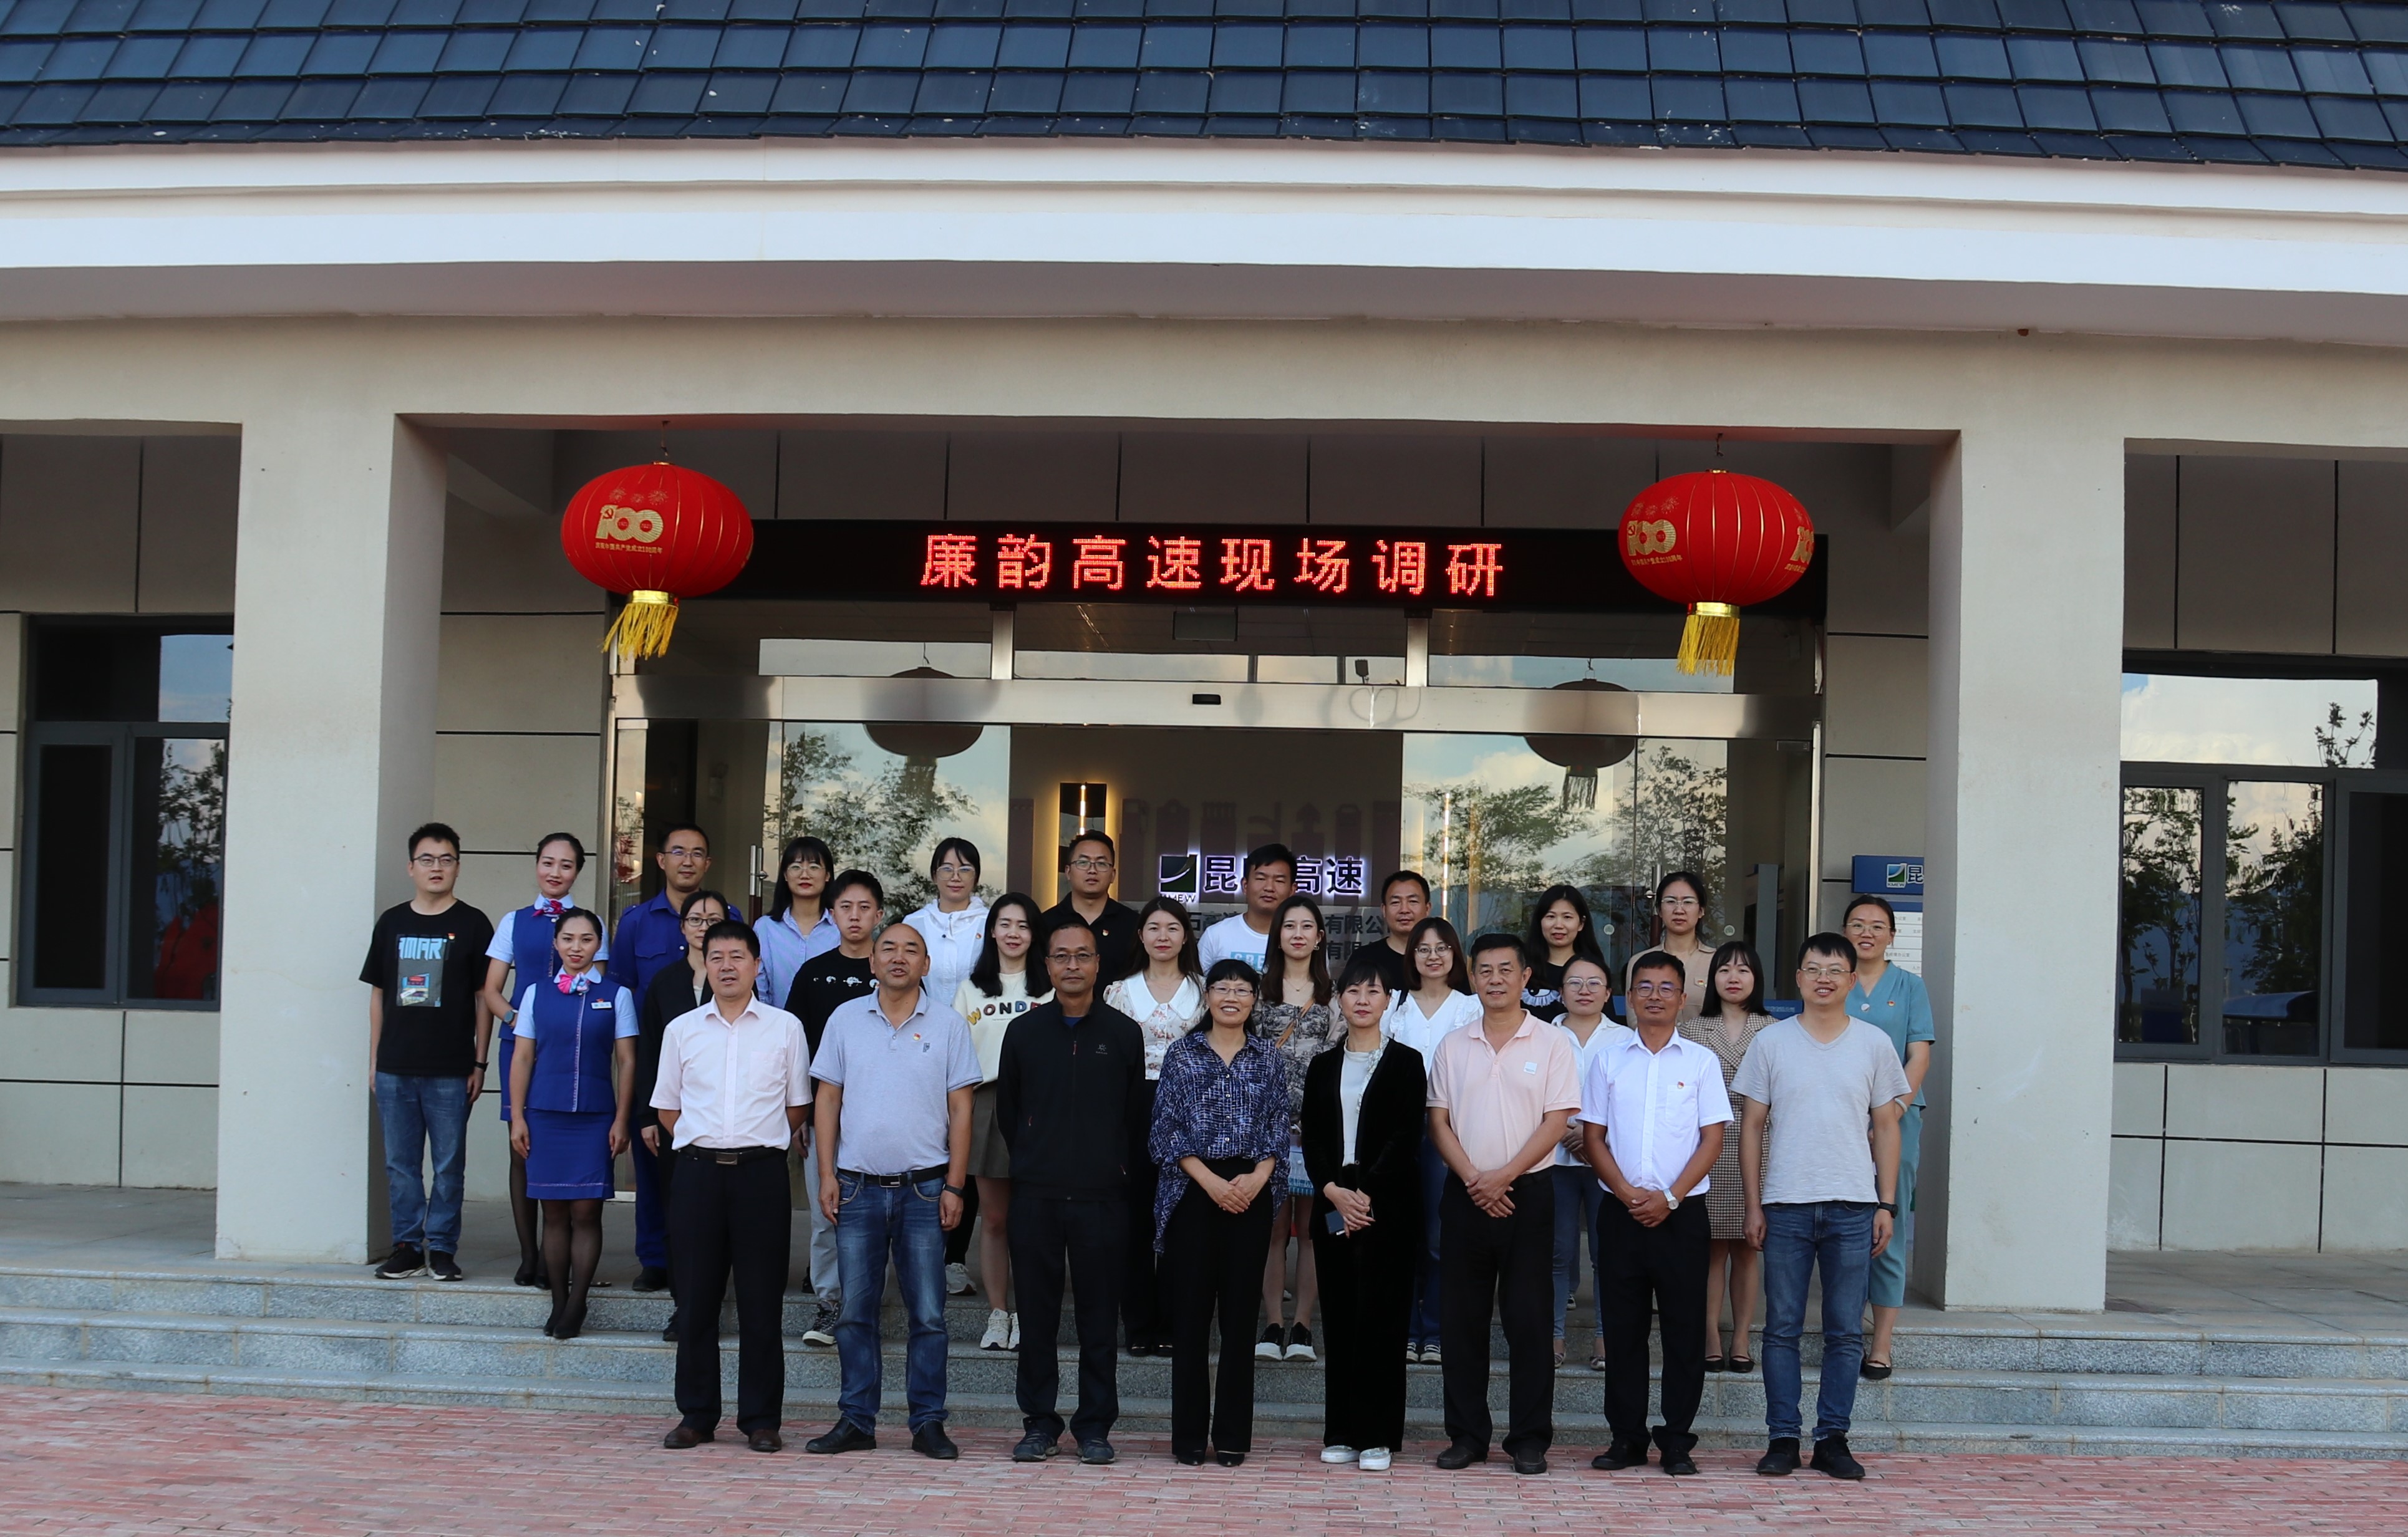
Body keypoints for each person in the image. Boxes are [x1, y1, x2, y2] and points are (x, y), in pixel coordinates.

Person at [805, 922, 982, 1462]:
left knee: (928, 1314)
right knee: (855, 1312)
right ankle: (857, 1419)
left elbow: (962, 1110)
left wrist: (956, 1184)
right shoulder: (844, 1019)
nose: (899, 957)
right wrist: (827, 1174)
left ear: (926, 964)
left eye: (911, 950)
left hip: (925, 1189)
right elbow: (827, 1099)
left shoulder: (949, 1024)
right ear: (873, 962)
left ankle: (928, 1421)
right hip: (856, 1186)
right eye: (888, 948)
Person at [1736, 933, 1909, 1482]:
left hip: (1853, 1205)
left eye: (1835, 970)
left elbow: (1886, 1127)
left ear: (1852, 979)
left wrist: (1886, 1203)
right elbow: (1751, 1127)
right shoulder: (1770, 1042)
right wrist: (1752, 1203)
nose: (1823, 979)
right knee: (1781, 1327)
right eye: (1813, 969)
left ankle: (1832, 1438)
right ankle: (1782, 1438)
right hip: (1784, 1203)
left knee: (1844, 1331)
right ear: (1798, 978)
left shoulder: (1874, 1043)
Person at [652, 920, 811, 1455]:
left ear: (756, 965)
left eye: (737, 956)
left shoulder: (785, 1028)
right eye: (716, 956)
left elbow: (797, 1105)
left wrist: (752, 1141)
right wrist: (707, 1143)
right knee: (696, 1298)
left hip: (761, 1175)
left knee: (761, 1301)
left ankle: (761, 1418)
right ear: (705, 963)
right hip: (697, 1174)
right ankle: (696, 1414)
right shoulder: (682, 1029)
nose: (726, 965)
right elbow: (667, 1107)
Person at [1424, 933, 1580, 1475]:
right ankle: (1466, 1435)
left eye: (1505, 969)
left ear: (1525, 977)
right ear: (1472, 978)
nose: (1495, 979)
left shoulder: (1552, 1042)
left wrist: (1504, 1177)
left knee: (1529, 1321)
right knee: (1461, 1321)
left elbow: (1557, 1121)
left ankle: (1529, 1438)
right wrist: (1475, 1179)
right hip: (1465, 1193)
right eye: (1485, 970)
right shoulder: (1453, 1045)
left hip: (1528, 1193)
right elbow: (1438, 1120)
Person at [995, 914, 1148, 1465]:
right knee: (1036, 1319)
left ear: (1098, 964)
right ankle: (1039, 1423)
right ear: (1046, 965)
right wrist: (1034, 1157)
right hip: (1036, 1195)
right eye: (1061, 956)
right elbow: (1009, 1112)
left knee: (1098, 1320)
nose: (1072, 965)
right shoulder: (1024, 1032)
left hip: (1102, 1198)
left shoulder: (1123, 1033)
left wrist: (1113, 1168)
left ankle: (1093, 1427)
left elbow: (1134, 1116)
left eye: (1082, 955)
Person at [1580, 950, 1731, 1477]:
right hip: (1619, 1212)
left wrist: (1669, 1196)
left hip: (1681, 1214)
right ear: (1628, 997)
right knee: (1623, 1333)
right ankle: (1626, 1437)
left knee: (1684, 1332)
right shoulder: (1608, 1060)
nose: (1654, 996)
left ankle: (1676, 1441)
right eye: (1643, 986)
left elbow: (1712, 1138)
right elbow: (1592, 1137)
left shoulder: (1701, 1062)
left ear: (1682, 997)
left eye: (1666, 987)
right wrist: (1627, 1193)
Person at [1148, 958, 1287, 1467]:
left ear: (1254, 999)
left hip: (1250, 1192)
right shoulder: (1182, 1054)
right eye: (1222, 988)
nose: (1232, 996)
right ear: (1206, 996)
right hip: (1193, 1191)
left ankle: (1231, 1436)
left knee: (1239, 1318)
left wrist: (1256, 1177)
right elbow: (1164, 1127)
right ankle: (1187, 1437)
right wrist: (1209, 1182)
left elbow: (1279, 1124)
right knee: (1189, 1319)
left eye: (1242, 989)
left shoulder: (1267, 1057)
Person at [1304, 955, 1426, 1475]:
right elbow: (1312, 1136)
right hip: (1334, 1200)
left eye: (1373, 991)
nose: (1361, 999)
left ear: (1388, 1001)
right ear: (1339, 999)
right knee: (1339, 1316)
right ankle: (1340, 1431)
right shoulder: (1322, 1065)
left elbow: (1406, 1135)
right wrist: (1334, 1190)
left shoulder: (1407, 1062)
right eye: (1352, 990)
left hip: (1387, 1204)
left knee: (1382, 1318)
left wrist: (1366, 1192)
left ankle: (1377, 1435)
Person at [360, 822, 493, 1283]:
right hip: (395, 1067)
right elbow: (378, 994)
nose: (437, 867)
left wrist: (480, 1061)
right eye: (427, 859)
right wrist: (375, 1061)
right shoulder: (392, 923)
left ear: (458, 866)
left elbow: (484, 997)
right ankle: (406, 1246)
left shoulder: (474, 924)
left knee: (448, 1165)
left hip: (451, 1068)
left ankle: (441, 1248)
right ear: (411, 867)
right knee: (400, 1165)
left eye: (446, 859)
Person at [506, 909, 638, 1341]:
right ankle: (558, 1301)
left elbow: (627, 1061)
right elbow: (523, 1057)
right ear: (556, 943)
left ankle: (578, 1301)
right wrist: (518, 1116)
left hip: (596, 1116)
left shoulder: (616, 995)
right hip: (545, 1115)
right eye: (567, 938)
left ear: (598, 945)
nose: (576, 947)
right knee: (554, 1212)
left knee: (586, 1211)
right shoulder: (535, 993)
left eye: (585, 939)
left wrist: (622, 1118)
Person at [479, 832, 601, 1290]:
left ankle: (559, 1255)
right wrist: (520, 1020)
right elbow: (491, 989)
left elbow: (599, 987)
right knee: (522, 1148)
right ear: (536, 865)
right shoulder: (514, 921)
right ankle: (529, 1255)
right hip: (521, 1046)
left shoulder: (587, 924)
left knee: (563, 1151)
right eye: (548, 862)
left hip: (573, 1050)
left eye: (566, 865)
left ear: (577, 872)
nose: (555, 872)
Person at [609, 821, 715, 1286]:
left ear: (708, 863)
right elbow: (621, 992)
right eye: (678, 851)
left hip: (711, 1072)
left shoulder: (724, 915)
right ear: (660, 860)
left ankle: (705, 1261)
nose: (687, 861)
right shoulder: (635, 921)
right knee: (652, 1164)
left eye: (697, 853)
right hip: (649, 1059)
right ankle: (655, 1257)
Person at [783, 869, 883, 1347]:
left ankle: (864, 1305)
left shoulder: (893, 971)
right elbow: (793, 1048)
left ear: (879, 914)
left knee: (876, 1215)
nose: (855, 916)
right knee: (827, 1213)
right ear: (832, 913)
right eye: (846, 907)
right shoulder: (813, 972)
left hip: (880, 1116)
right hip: (823, 1115)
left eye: (865, 907)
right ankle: (829, 1303)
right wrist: (797, 1115)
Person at [1103, 896, 1204, 1359]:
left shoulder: (1205, 991)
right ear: (1140, 936)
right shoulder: (1118, 993)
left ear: (1185, 936)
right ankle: (1139, 1323)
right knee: (1137, 1218)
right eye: (1154, 928)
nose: (1163, 936)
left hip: (1193, 1110)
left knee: (1185, 1219)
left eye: (1172, 928)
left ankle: (1176, 1322)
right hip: (1133, 1107)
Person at [954, 892, 1051, 1354]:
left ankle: (1031, 1313)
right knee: (994, 1218)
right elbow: (956, 1059)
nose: (1014, 933)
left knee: (1036, 1219)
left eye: (1023, 925)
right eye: (1005, 924)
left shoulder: (1049, 984)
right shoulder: (970, 989)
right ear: (991, 931)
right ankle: (998, 1312)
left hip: (1042, 1105)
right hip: (986, 1102)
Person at [1381, 915, 1479, 1364]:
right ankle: (1406, 1329)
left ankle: (1436, 1329)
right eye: (1423, 948)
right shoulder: (1393, 1006)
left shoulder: (1470, 1009)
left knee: (1440, 1236)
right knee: (1402, 1233)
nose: (1433, 956)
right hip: (1397, 1132)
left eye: (1442, 948)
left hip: (1450, 1131)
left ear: (1455, 955)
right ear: (1411, 955)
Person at [634, 889, 730, 1343]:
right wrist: (648, 1115)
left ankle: (713, 1303)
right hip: (675, 1120)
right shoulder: (664, 981)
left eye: (713, 919)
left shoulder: (734, 979)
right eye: (695, 919)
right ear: (682, 927)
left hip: (725, 1120)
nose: (703, 926)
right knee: (681, 1216)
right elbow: (649, 1052)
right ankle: (684, 1307)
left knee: (721, 1221)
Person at [1845, 895, 1934, 1380]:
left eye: (1877, 925)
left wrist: (1894, 1109)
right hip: (1837, 1119)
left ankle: (1880, 1342)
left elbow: (1918, 1054)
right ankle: (1843, 1332)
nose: (1867, 932)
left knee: (1887, 1222)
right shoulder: (1835, 978)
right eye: (1857, 924)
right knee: (1840, 1223)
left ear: (1892, 935)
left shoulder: (1909, 986)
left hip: (1896, 1118)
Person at [1678, 940, 1776, 1376]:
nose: (1733, 978)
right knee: (1711, 1249)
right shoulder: (1691, 1030)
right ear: (1710, 978)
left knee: (1748, 1248)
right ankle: (1711, 1336)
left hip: (1762, 1144)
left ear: (1757, 978)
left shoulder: (1774, 1030)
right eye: (1724, 969)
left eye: (1743, 970)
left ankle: (1741, 1337)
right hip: (1709, 1146)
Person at [1252, 892, 1340, 1364]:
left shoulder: (1335, 996)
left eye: (1307, 926)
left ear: (1320, 936)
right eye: (1289, 926)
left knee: (1310, 1230)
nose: (1298, 934)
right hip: (1265, 1129)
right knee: (1272, 1228)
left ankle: (1303, 1325)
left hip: (1316, 1131)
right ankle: (1271, 1321)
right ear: (1278, 935)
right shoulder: (1257, 992)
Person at [1552, 955, 1630, 1370]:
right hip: (1553, 1159)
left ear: (1608, 993)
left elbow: (1633, 1099)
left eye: (1594, 983)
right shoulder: (1542, 1035)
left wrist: (1592, 1134)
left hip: (1610, 1161)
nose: (1584, 990)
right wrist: (1566, 1129)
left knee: (1608, 1252)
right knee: (1556, 1252)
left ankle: (1605, 1337)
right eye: (1575, 982)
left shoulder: (1625, 1038)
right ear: (1560, 992)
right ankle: (1553, 1336)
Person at [905, 836, 990, 1023]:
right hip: (922, 1024)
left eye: (965, 870)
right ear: (934, 876)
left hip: (979, 1025)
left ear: (976, 877)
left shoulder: (990, 923)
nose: (955, 877)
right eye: (947, 869)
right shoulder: (914, 924)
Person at [1045, 830, 1139, 981]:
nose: (1092, 870)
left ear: (1113, 875)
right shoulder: (1045, 924)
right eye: (1083, 862)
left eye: (1101, 864)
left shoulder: (1134, 925)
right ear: (1068, 872)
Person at [757, 835, 838, 1008]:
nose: (805, 875)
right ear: (785, 875)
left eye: (814, 867)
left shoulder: (840, 928)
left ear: (827, 875)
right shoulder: (765, 928)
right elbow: (760, 987)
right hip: (777, 1022)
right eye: (796, 867)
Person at [1197, 843, 1297, 974]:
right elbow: (1197, 984)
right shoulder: (1216, 935)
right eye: (1261, 879)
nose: (1269, 888)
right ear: (1245, 885)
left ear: (1292, 890)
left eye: (1279, 881)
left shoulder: (1302, 939)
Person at [1630, 871, 1713, 1021]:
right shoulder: (1640, 962)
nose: (1679, 910)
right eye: (1670, 901)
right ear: (1659, 910)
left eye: (1688, 902)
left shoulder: (1717, 962)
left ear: (1701, 911)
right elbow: (1635, 1020)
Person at [1523, 884, 1605, 1023]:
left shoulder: (1594, 969)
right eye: (1551, 916)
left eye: (1567, 917)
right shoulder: (1523, 968)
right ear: (1540, 921)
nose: (1559, 925)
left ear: (1581, 923)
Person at [1348, 870, 1430, 996]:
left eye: (1413, 901)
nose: (1404, 910)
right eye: (1396, 902)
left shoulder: (1441, 960)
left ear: (1427, 908)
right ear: (1384, 910)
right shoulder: (1363, 958)